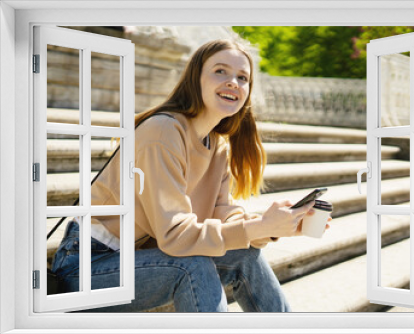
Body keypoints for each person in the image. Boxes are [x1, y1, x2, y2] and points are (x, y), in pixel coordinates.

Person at [51, 39, 325, 313]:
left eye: (243, 78)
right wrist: (260, 227)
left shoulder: (217, 145)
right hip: (88, 265)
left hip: (140, 257)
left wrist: (275, 225)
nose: (233, 82)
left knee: (245, 255)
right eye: (220, 71)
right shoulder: (163, 131)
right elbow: (175, 236)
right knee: (193, 265)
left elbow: (222, 215)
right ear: (196, 78)